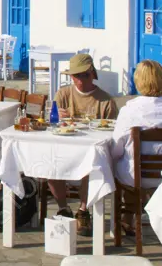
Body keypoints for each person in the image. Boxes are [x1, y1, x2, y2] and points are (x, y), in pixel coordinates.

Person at [47, 53, 119, 236]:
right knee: (49, 165)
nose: (80, 80)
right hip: (65, 147)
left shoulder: (106, 101)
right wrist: (56, 117)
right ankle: (63, 208)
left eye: (85, 75)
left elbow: (114, 134)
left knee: (92, 166)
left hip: (91, 150)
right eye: (76, 76)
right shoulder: (63, 94)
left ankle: (83, 210)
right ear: (71, 77)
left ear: (92, 74)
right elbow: (51, 123)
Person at [111, 59, 162, 188]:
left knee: (111, 163)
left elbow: (116, 151)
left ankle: (131, 204)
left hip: (136, 178)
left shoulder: (129, 111)